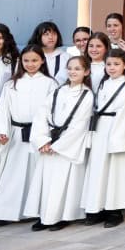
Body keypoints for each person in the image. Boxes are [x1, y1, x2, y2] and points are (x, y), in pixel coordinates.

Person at [0, 46, 57, 232]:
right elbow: (3, 109)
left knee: (39, 174)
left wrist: (48, 136)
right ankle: (2, 213)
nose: (30, 64)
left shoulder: (50, 84)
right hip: (17, 133)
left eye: (35, 60)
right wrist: (1, 132)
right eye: (26, 60)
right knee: (11, 175)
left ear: (42, 61)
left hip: (39, 134)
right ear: (21, 61)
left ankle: (40, 213)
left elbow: (53, 110)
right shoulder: (12, 84)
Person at [24, 55, 94, 231]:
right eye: (70, 68)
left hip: (67, 147)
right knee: (46, 181)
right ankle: (44, 216)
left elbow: (80, 124)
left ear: (86, 72)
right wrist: (43, 140)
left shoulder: (87, 95)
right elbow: (42, 114)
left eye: (77, 68)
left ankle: (61, 216)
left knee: (63, 183)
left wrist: (58, 146)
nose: (72, 71)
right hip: (49, 143)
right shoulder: (57, 91)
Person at [80, 49, 125, 228]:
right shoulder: (103, 83)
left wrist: (118, 138)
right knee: (98, 170)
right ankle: (97, 208)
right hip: (101, 129)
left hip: (118, 132)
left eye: (116, 64)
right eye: (109, 64)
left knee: (116, 172)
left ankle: (114, 211)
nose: (112, 68)